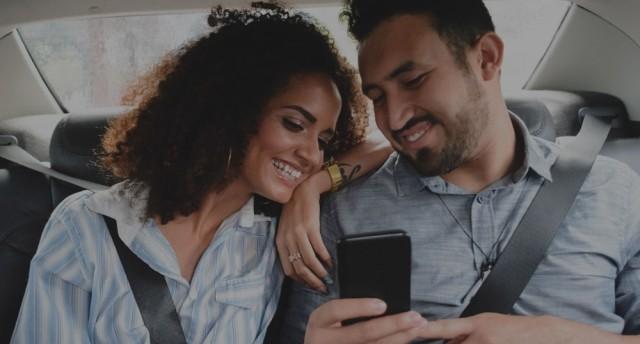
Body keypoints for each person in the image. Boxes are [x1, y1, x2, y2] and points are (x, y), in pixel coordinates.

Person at [10, 3, 393, 343]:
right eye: (294, 124)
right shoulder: (85, 229)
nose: (311, 154)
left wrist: (316, 184)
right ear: (232, 111)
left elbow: (389, 138)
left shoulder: (269, 239)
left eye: (324, 139)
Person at [274, 0, 640, 343]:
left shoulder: (612, 190)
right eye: (378, 97)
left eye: (414, 80)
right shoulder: (340, 214)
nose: (395, 118)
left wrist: (559, 336)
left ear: (486, 58)